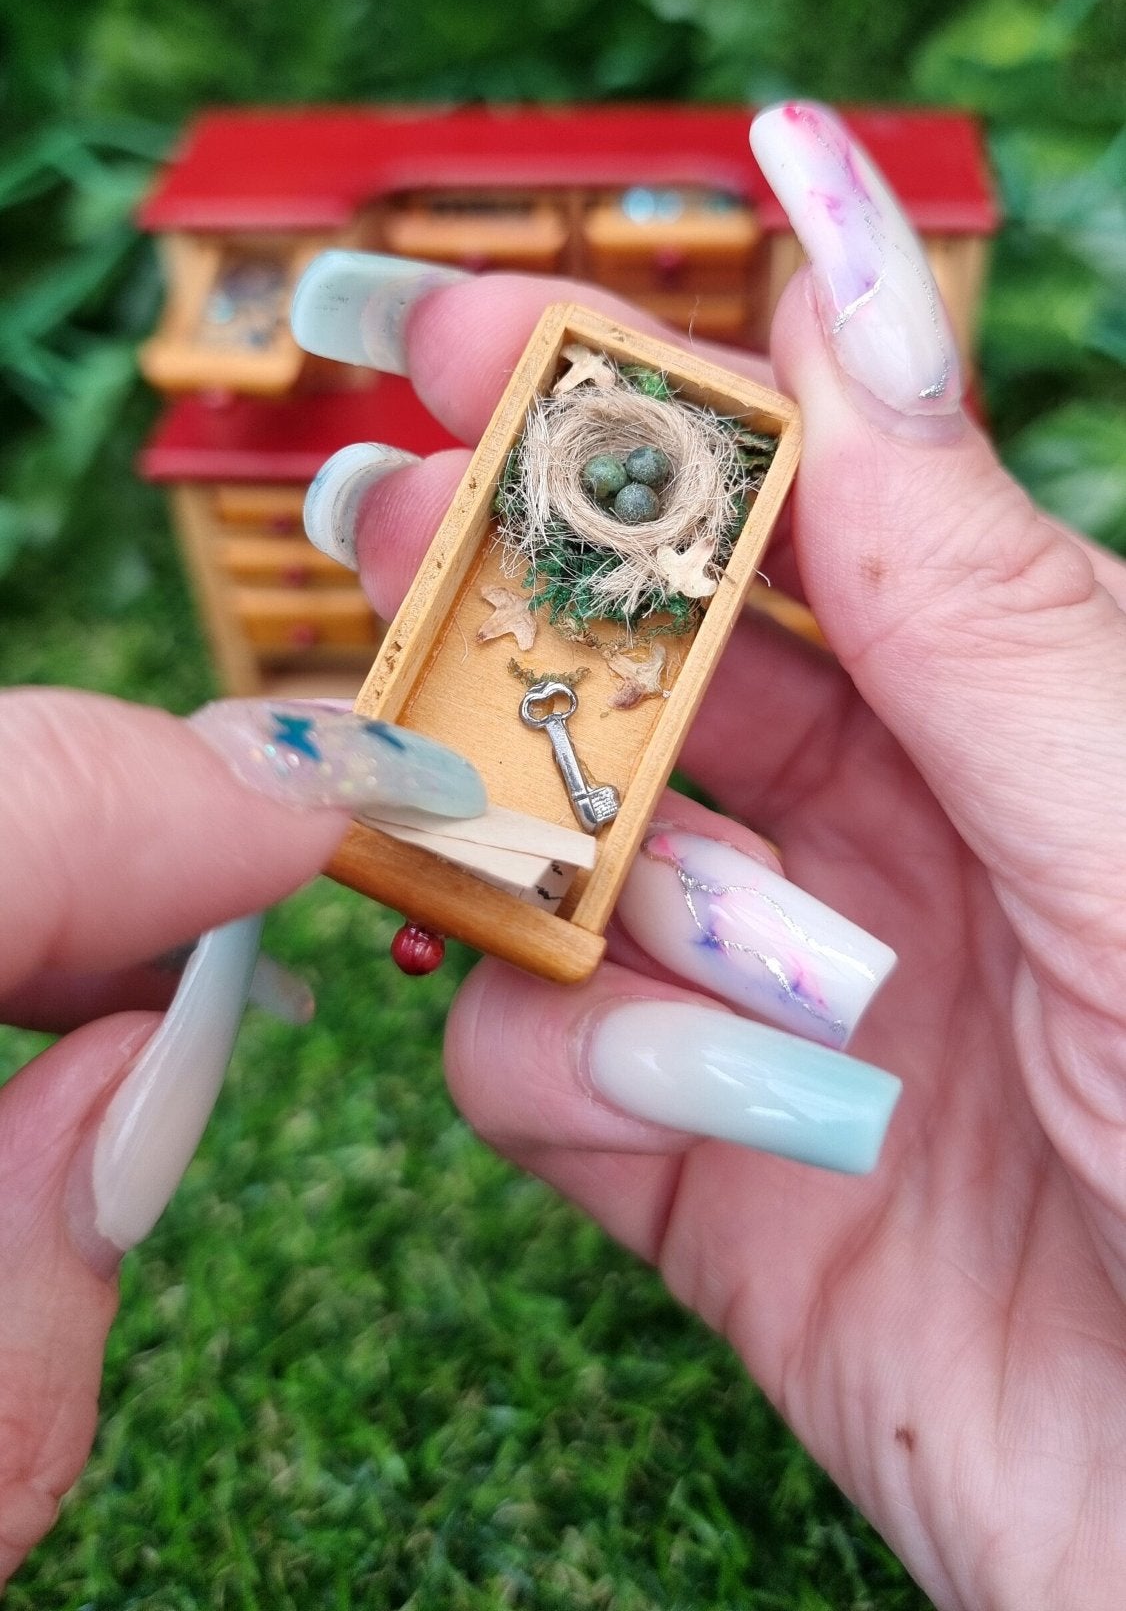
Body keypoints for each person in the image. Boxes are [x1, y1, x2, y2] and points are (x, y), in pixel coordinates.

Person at [2, 104, 1123, 1607]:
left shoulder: (664, 495)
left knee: (563, 816)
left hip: (582, 697)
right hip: (540, 689)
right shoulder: (559, 513)